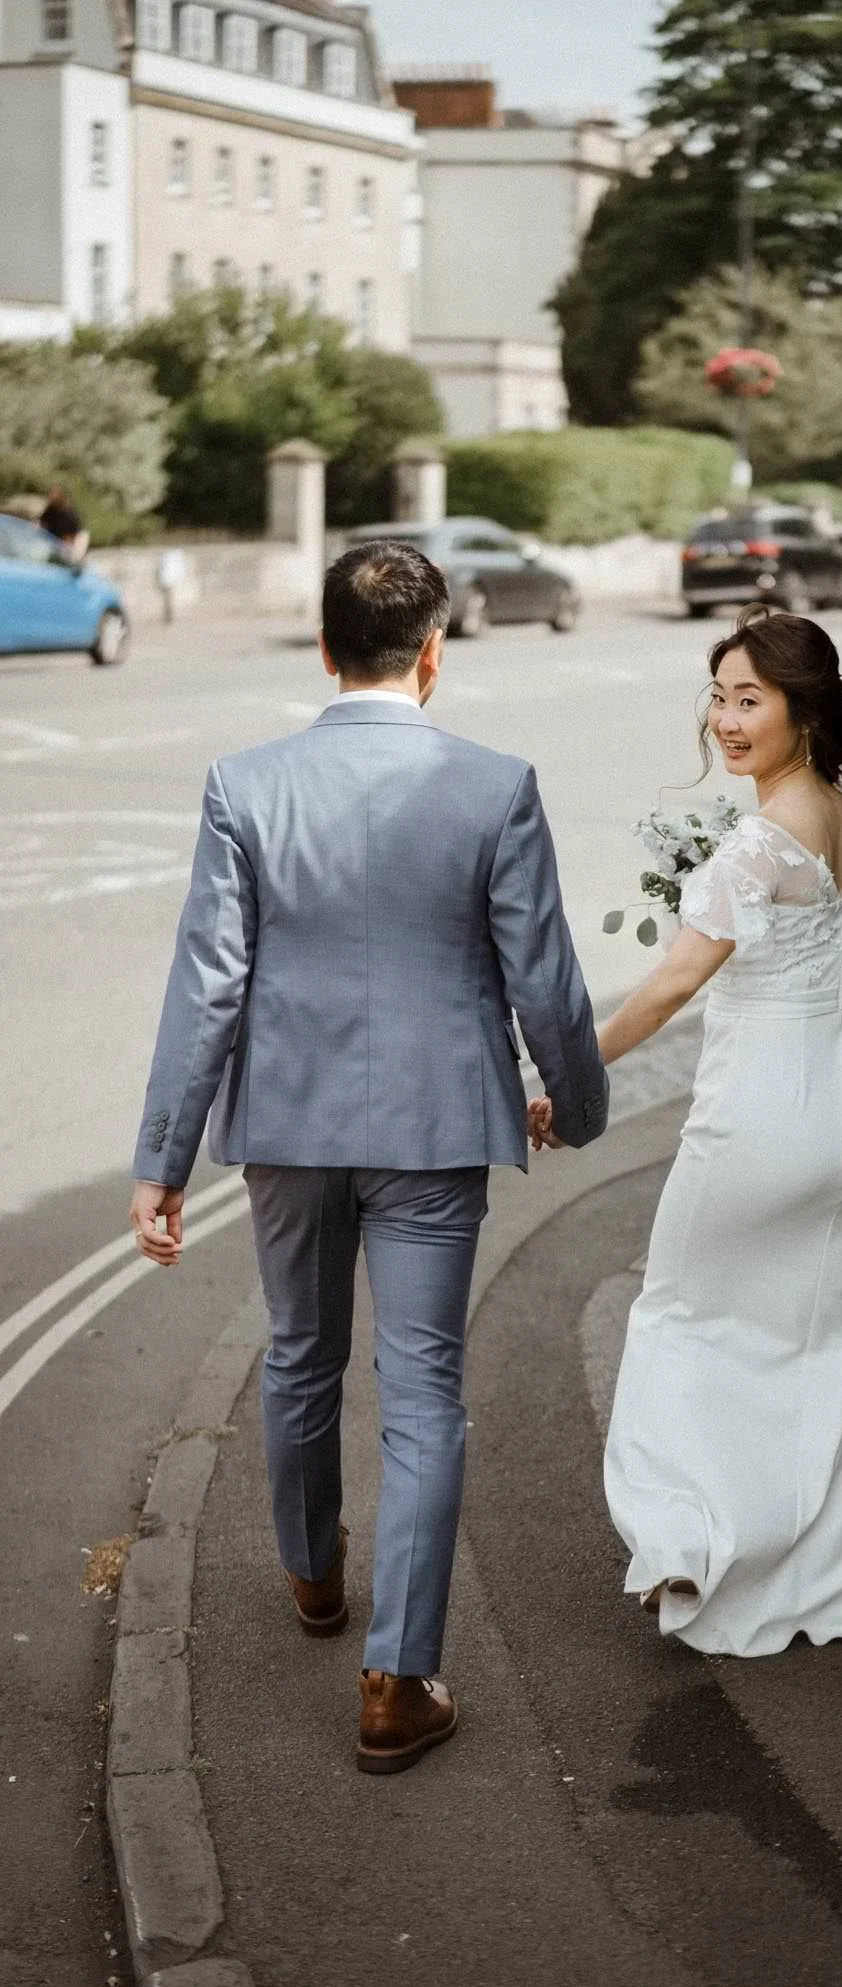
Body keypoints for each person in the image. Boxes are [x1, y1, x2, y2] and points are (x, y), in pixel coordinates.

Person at [129, 541, 607, 1772]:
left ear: (326, 647)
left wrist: (163, 1159)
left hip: (287, 1127)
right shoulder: (495, 786)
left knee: (298, 1354)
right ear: (434, 654)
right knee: (425, 1394)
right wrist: (579, 1099)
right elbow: (542, 976)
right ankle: (396, 1681)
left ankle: (309, 1575)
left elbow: (206, 989)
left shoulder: (246, 783)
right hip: (437, 1130)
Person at [532, 603, 842, 1656]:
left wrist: (569, 1077)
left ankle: (696, 1545)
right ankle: (829, 1573)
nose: (727, 718)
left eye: (751, 697)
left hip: (760, 1117)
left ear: (805, 708)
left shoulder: (753, 843)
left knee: (683, 1320)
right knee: (813, 1341)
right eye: (719, 694)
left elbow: (669, 986)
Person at [39, 487, 89, 562]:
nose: (51, 497)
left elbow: (70, 535)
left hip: (75, 537)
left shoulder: (67, 512)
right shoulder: (50, 509)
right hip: (57, 537)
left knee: (71, 559)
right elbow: (42, 523)